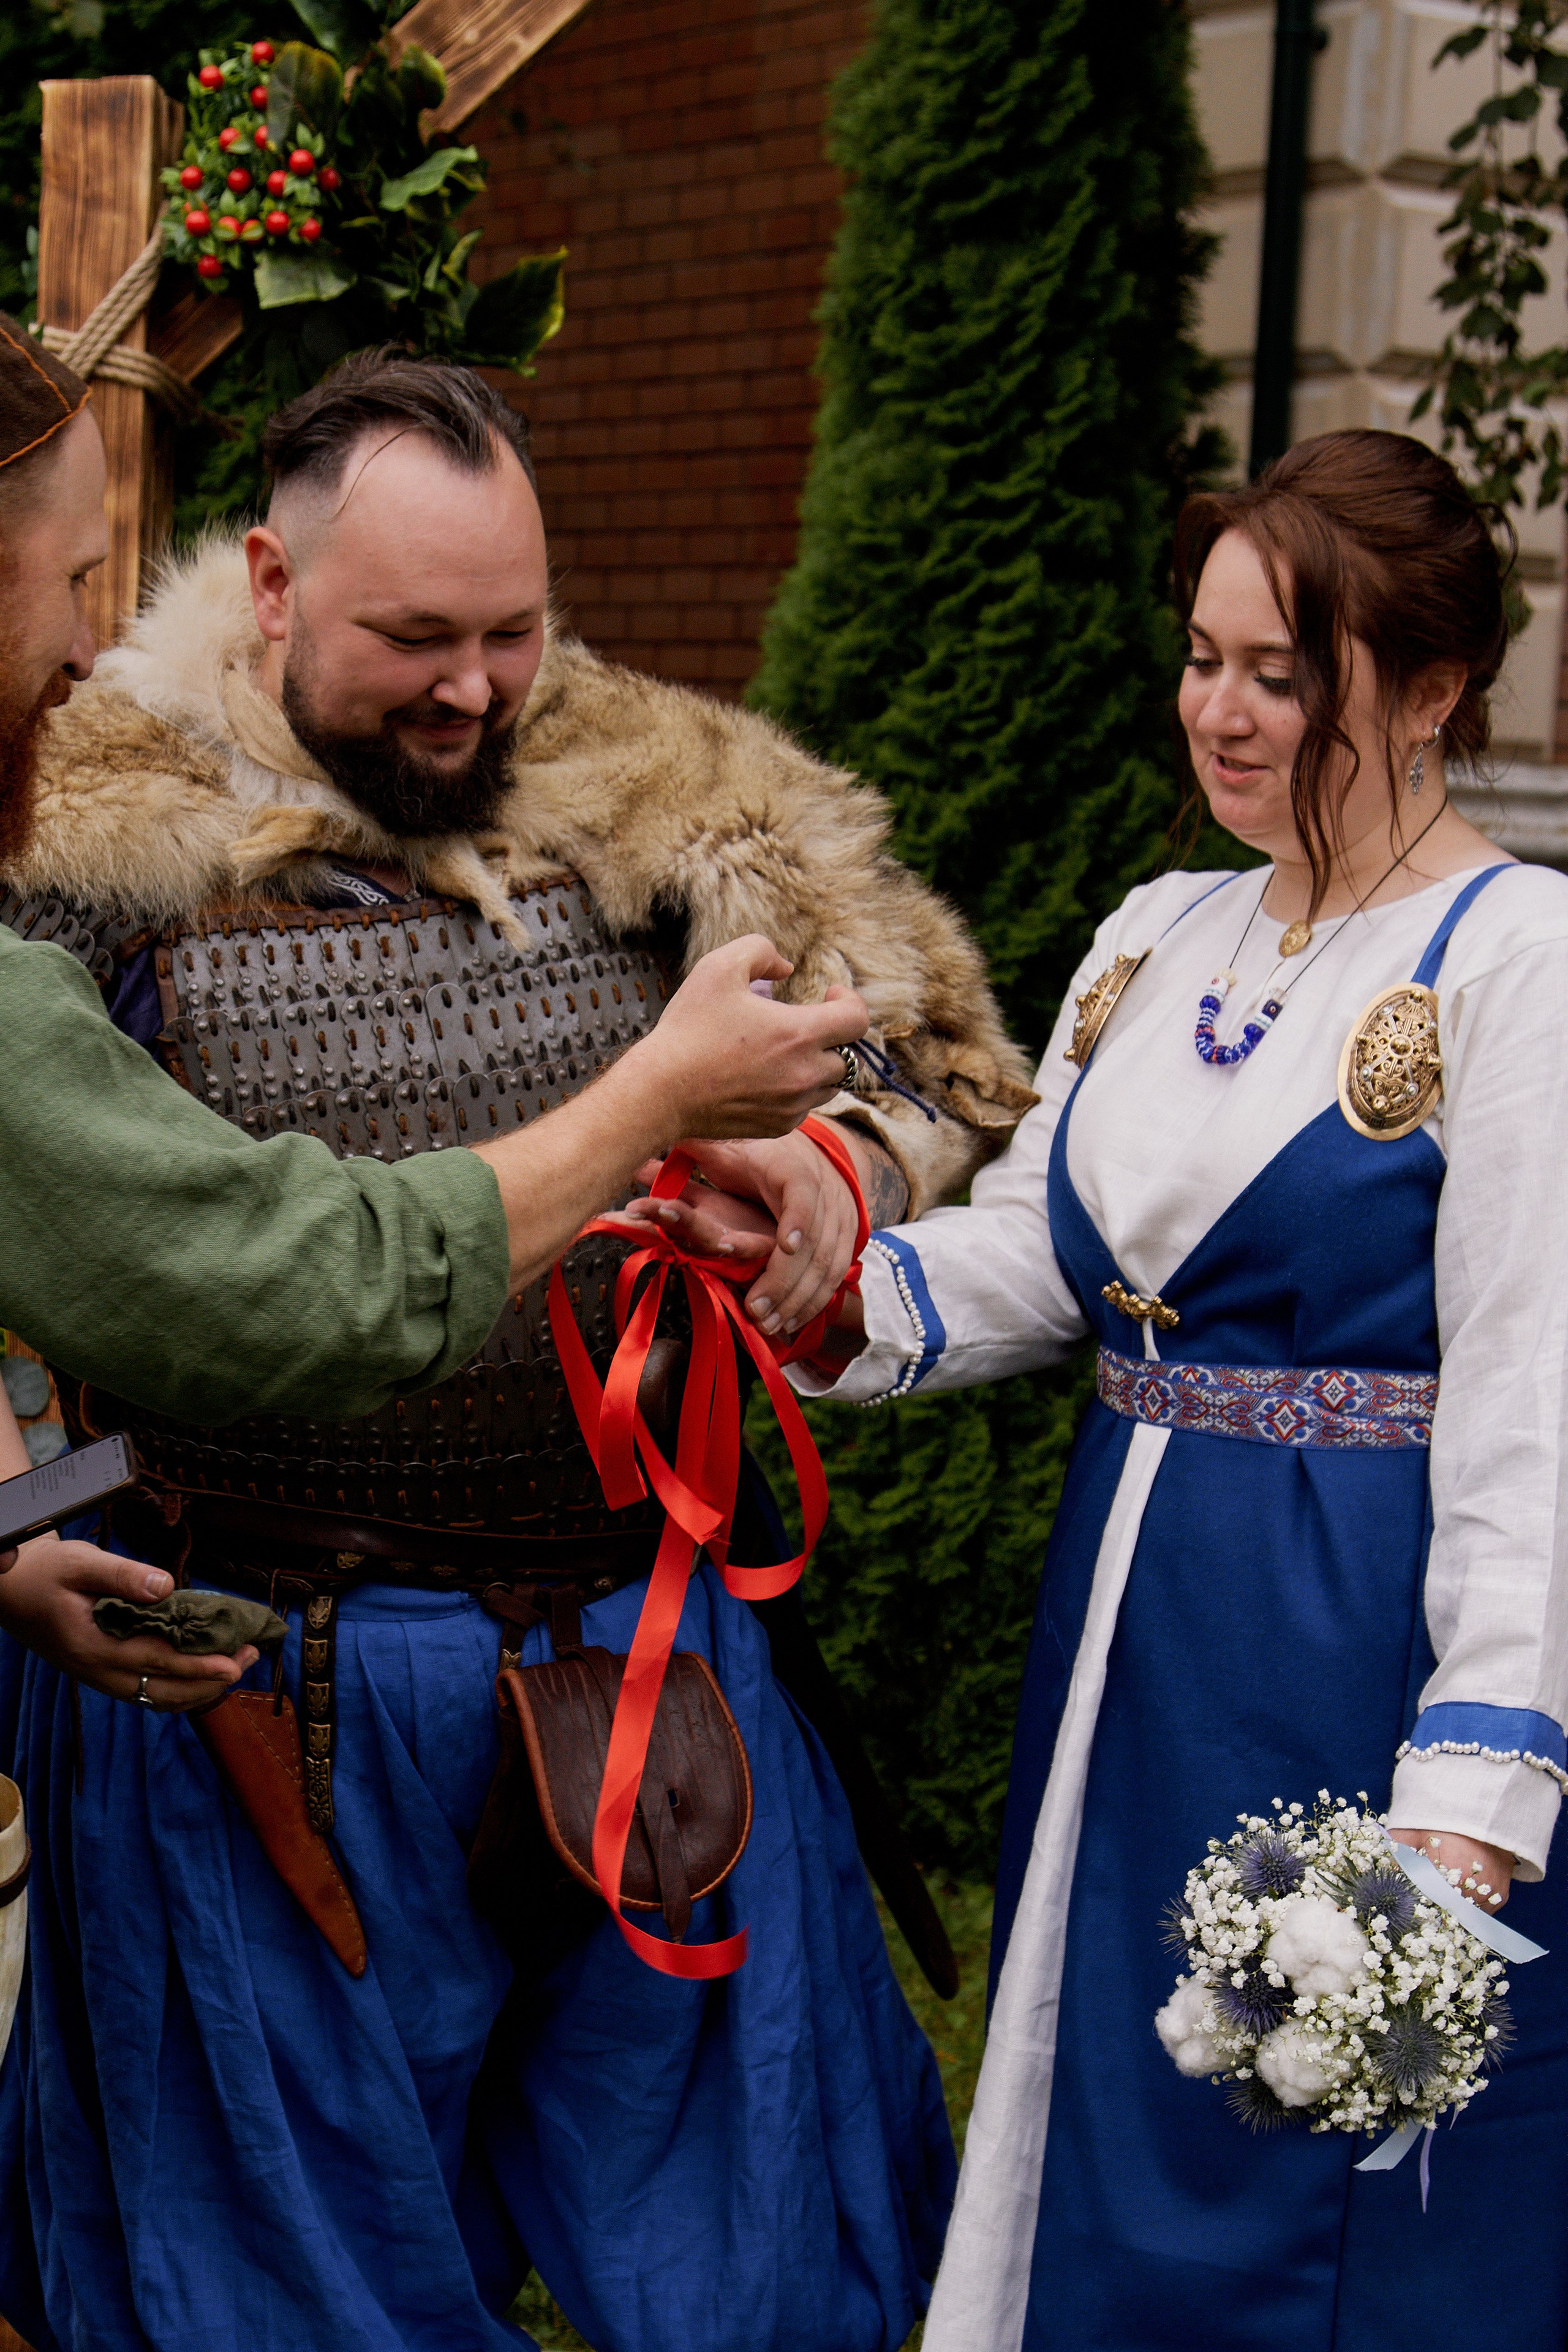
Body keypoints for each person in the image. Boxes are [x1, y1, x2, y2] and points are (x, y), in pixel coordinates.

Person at [0, 333, 1033, 2352]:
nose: (477, 690)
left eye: (514, 631)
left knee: (765, 2277)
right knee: (270, 2299)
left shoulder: (657, 780)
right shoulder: (81, 818)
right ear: (275, 591)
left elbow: (934, 1051)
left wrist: (833, 1177)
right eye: (414, 637)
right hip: (253, 1689)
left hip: (641, 1660)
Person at [796, 429, 1568, 2351]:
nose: (1215, 710)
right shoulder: (1159, 930)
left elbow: (1530, 1405)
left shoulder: (1517, 960)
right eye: (1204, 655)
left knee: (1316, 2159)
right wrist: (817, 1283)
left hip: (1352, 1644)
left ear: (1433, 690)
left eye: (1278, 674)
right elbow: (1050, 1258)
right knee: (1113, 2089)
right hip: (1133, 1631)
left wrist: (1464, 1809)